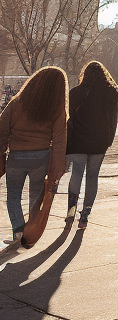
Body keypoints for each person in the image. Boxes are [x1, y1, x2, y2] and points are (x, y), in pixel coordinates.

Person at [0, 66, 68, 247]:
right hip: (41, 158)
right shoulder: (56, 108)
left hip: (16, 157)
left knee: (13, 197)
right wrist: (59, 166)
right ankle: (30, 234)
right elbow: (60, 139)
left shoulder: (16, 103)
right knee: (35, 198)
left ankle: (18, 232)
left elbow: (2, 130)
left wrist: (1, 153)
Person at [65, 60, 118, 229]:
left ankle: (71, 210)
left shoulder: (75, 93)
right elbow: (113, 121)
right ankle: (85, 216)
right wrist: (108, 141)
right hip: (99, 142)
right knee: (92, 177)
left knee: (76, 174)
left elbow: (68, 120)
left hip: (77, 142)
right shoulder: (111, 93)